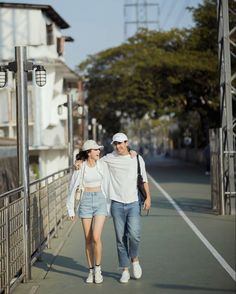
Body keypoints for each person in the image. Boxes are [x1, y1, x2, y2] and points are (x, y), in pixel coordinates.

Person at [75, 132, 151, 283]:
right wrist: (78, 161)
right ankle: (124, 269)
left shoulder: (137, 158)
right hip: (116, 203)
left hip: (133, 202)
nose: (119, 146)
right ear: (113, 145)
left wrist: (148, 197)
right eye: (116, 143)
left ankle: (134, 259)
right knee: (120, 238)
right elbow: (91, 159)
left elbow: (144, 179)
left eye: (121, 143)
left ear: (127, 142)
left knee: (134, 235)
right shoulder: (109, 158)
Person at [67, 140, 110, 284]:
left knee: (96, 237)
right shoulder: (81, 167)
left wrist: (132, 152)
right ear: (88, 152)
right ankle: (90, 271)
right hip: (85, 201)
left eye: (99, 149)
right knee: (88, 238)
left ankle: (98, 270)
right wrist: (70, 209)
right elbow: (72, 187)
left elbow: (116, 157)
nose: (98, 152)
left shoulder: (102, 164)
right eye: (95, 150)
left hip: (100, 201)